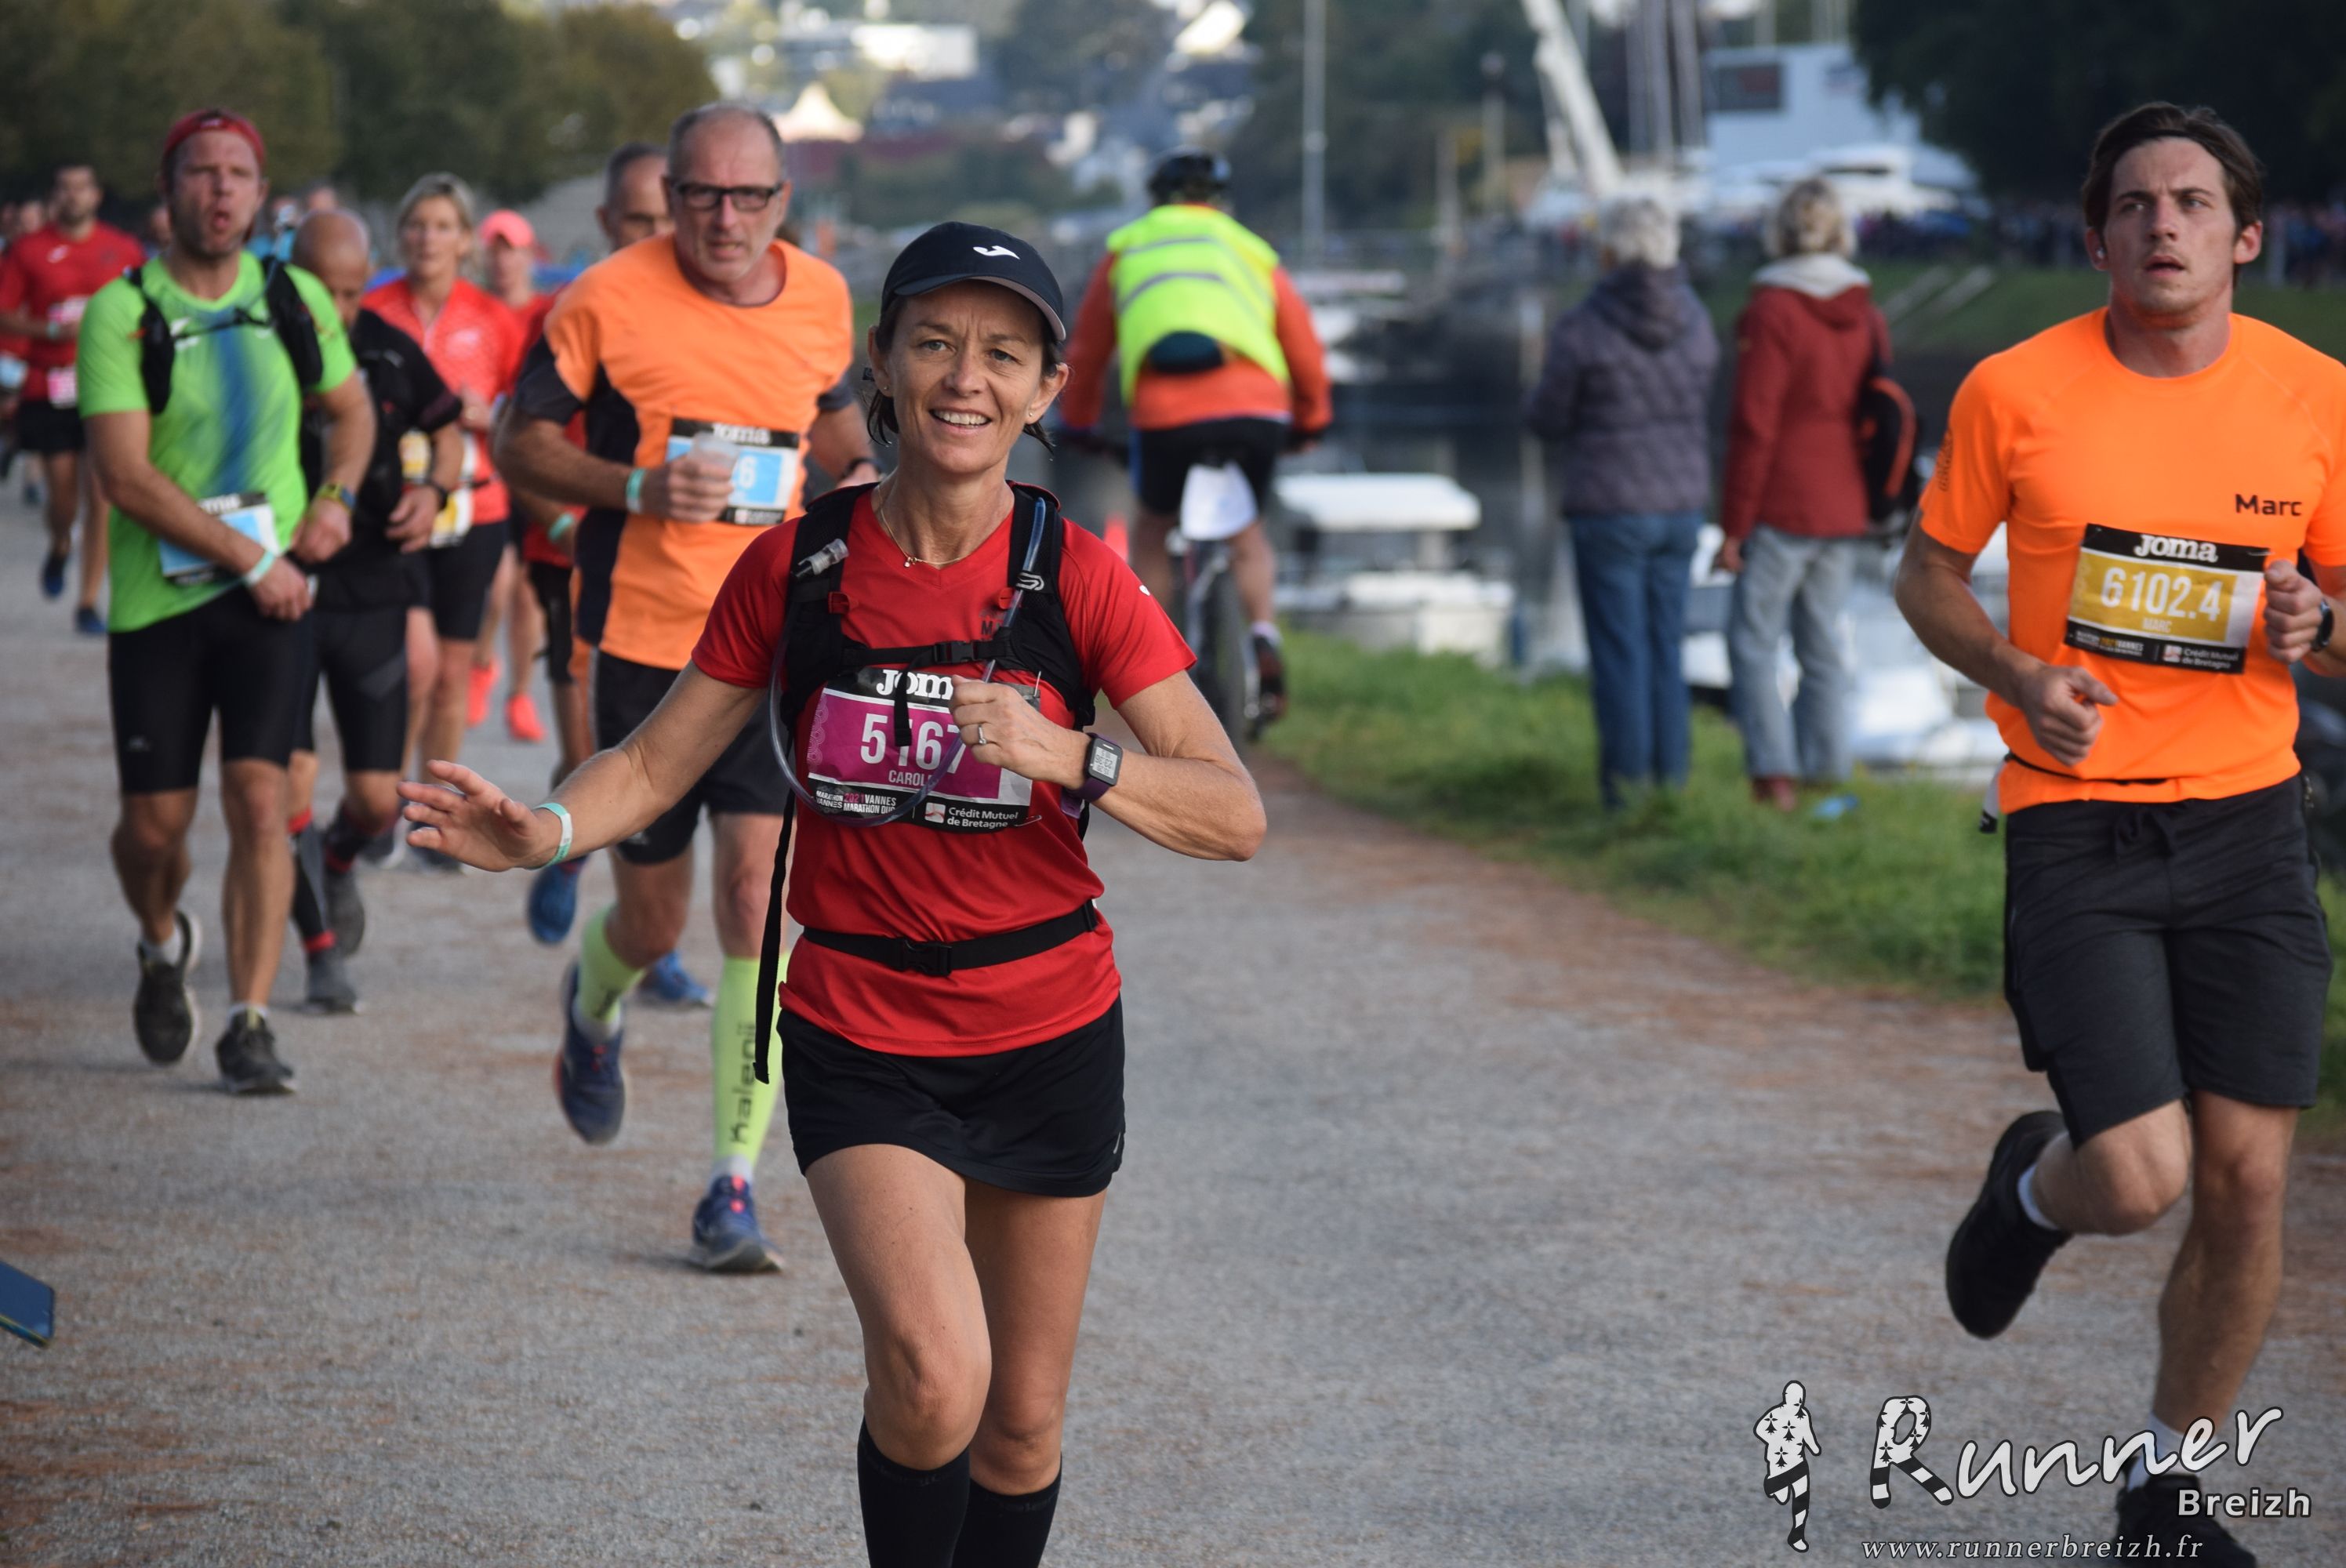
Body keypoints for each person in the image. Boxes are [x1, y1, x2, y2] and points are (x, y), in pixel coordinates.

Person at [412, 217, 1262, 1568]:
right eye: (935, 343)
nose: (965, 378)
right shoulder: (797, 568)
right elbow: (656, 760)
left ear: (1046, 387)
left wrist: (1073, 756)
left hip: (1048, 1031)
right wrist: (547, 831)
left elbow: (1232, 813)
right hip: (864, 1027)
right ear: (881, 361)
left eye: (1003, 354)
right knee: (932, 1378)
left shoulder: (1079, 575)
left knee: (1021, 1426)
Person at [1894, 102, 2346, 1565]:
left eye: (2193, 202)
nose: (2164, 225)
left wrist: (2319, 623)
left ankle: (2166, 1491)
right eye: (2137, 205)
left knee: (2250, 1179)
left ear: (2245, 237)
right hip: (2074, 824)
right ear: (2096, 240)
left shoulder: (2315, 398)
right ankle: (2034, 1186)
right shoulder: (2015, 390)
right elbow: (1925, 577)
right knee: (2142, 1177)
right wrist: (2016, 670)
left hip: (2249, 827)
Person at [494, 102, 881, 1271]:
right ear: (668, 196)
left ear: (782, 202)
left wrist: (861, 478)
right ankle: (593, 1003)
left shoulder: (822, 295)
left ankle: (731, 1184)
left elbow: (834, 423)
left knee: (758, 898)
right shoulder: (603, 297)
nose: (725, 218)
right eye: (702, 194)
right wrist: (639, 489)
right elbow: (520, 442)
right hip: (648, 645)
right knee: (654, 920)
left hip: (777, 647)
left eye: (748, 196)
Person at [78, 109, 372, 1093]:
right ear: (168, 190)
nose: (220, 189)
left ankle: (250, 1019)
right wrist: (253, 558)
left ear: (260, 192)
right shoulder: (121, 312)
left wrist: (335, 499)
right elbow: (124, 474)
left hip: (270, 605)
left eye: (238, 173)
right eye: (201, 172)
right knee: (152, 830)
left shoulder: (292, 296)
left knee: (260, 799)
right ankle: (162, 940)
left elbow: (353, 411)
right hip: (161, 603)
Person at [1059, 147, 1333, 724]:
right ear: (1220, 201)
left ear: (1156, 199)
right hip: (1255, 408)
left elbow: (1087, 350)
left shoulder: (1128, 249)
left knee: (1153, 530)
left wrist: (1079, 422)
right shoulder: (1249, 249)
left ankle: (1148, 660)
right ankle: (1263, 635)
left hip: (1167, 414)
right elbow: (1303, 343)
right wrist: (1311, 418)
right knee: (1247, 535)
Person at [281, 209, 467, 1013]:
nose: (338, 309)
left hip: (373, 587)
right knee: (281, 786)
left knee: (374, 800)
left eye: (353, 293)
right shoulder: (262, 346)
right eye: (321, 291)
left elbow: (448, 428)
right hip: (281, 587)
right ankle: (320, 954)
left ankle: (338, 860)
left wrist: (434, 489)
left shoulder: (388, 348)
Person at [515, 143, 666, 949]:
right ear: (606, 222)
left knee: (668, 765)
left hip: (676, 579)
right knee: (594, 753)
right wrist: (563, 522)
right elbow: (516, 443)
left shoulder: (711, 322)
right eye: (638, 219)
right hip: (573, 563)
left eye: (667, 216)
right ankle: (574, 856)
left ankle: (648, 939)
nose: (656, 234)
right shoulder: (571, 313)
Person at [1523, 194, 1718, 809]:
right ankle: (1671, 789)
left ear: (1607, 252)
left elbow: (1548, 418)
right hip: (1681, 505)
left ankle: (1626, 796)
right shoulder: (1697, 319)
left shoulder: (1584, 325)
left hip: (1609, 505)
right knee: (1666, 648)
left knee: (1619, 654)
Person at [363, 173, 525, 869]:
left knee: (452, 673)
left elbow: (527, 415)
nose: (427, 238)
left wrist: (486, 416)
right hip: (394, 510)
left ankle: (435, 818)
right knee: (412, 665)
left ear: (464, 241)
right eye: (415, 225)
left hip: (475, 511)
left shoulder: (494, 318)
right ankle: (380, 807)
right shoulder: (373, 311)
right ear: (400, 236)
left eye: (441, 227)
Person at [1718, 177, 1889, 811]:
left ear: (1780, 233)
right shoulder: (1865, 311)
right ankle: (1826, 773)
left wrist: (1734, 525)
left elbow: (1755, 423)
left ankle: (1773, 777)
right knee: (1822, 644)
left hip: (1782, 499)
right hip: (1843, 499)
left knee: (1753, 641)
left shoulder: (1772, 310)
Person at [0, 162, 149, 633]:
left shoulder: (122, 249)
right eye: (65, 188)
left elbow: (148, 309)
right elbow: (4, 312)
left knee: (102, 494)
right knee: (63, 499)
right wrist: (50, 330)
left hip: (109, 385)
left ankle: (88, 602)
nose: (73, 196)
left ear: (96, 195)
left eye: (82, 187)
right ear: (54, 196)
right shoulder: (29, 250)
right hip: (51, 384)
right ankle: (61, 542)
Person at [472, 206, 551, 745]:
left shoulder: (547, 313)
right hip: (485, 466)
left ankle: (519, 694)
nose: (503, 262)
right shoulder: (473, 312)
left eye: (512, 250)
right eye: (494, 251)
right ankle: (483, 662)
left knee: (527, 593)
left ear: (529, 255)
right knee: (497, 583)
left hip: (534, 466)